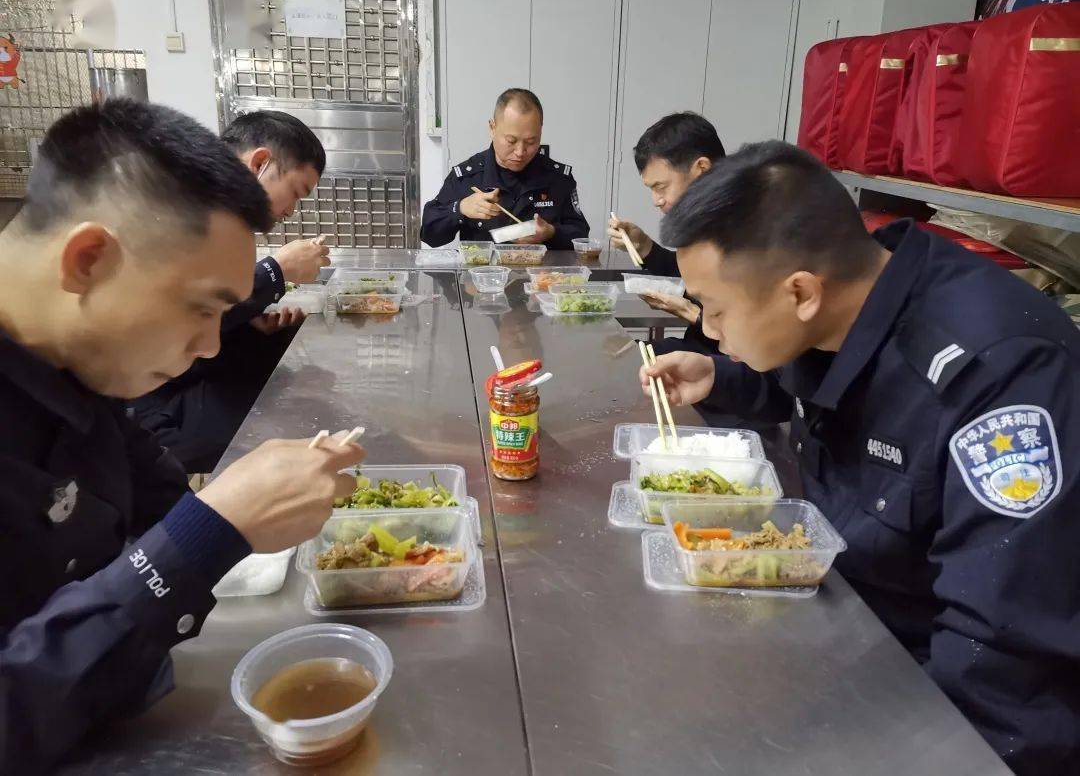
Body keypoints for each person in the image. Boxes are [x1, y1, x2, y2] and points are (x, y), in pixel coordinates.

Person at [641, 140, 1080, 776]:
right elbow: (816, 378)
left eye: (715, 310)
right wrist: (725, 378)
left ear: (800, 291)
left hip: (945, 709)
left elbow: (1003, 661)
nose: (707, 327)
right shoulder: (857, 291)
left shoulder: (999, 379)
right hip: (854, 633)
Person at [0, 100, 365, 773]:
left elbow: (161, 495)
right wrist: (209, 530)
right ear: (87, 259)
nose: (205, 347)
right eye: (201, 310)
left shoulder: (82, 369)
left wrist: (257, 504)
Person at [131, 110, 331, 472]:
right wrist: (277, 271)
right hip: (150, 403)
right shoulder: (172, 210)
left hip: (182, 379)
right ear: (259, 163)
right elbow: (170, 319)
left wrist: (254, 328)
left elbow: (207, 316)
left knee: (295, 376)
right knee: (299, 415)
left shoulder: (217, 214)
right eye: (295, 193)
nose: (291, 211)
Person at [608, 112, 726, 346]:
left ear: (701, 168)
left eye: (660, 187)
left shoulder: (749, 229)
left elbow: (757, 344)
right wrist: (644, 247)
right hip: (702, 346)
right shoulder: (703, 220)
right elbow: (691, 278)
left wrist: (691, 313)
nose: (656, 200)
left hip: (729, 364)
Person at [421, 88, 589, 249]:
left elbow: (581, 235)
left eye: (531, 142)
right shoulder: (467, 177)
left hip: (542, 277)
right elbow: (430, 236)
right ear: (492, 128)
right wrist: (460, 208)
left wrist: (551, 233)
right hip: (483, 276)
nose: (520, 152)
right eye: (511, 141)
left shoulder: (557, 178)